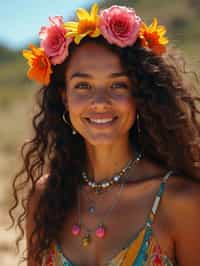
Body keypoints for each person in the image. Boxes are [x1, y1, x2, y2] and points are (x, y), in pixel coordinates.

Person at [9, 2, 200, 266]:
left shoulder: (181, 202)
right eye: (83, 85)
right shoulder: (46, 197)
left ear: (139, 96)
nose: (100, 101)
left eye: (118, 84)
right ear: (65, 97)